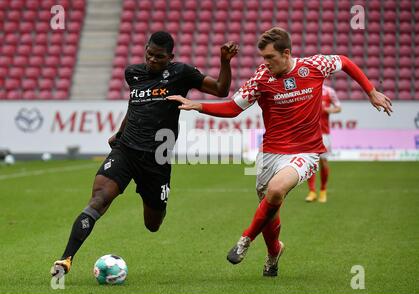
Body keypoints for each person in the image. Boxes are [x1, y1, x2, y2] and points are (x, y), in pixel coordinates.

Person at [167, 27, 392, 277]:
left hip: (305, 151)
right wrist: (197, 105)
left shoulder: (314, 66)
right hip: (270, 153)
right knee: (269, 206)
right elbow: (233, 108)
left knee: (275, 191)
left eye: (270, 57)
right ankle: (274, 253)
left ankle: (244, 240)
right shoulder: (261, 78)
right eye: (262, 57)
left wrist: (371, 91)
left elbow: (345, 61)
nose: (265, 62)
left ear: (286, 53)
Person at [51, 31, 239, 277]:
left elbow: (221, 90)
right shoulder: (133, 73)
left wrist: (224, 61)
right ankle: (65, 260)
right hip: (126, 151)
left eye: (159, 57)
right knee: (98, 200)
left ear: (170, 57)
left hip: (157, 160)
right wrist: (119, 133)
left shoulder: (181, 73)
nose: (152, 60)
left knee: (153, 224)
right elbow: (134, 105)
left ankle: (154, 201)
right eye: (149, 54)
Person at [305, 82, 342, 203]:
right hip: (308, 132)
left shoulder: (329, 91)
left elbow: (338, 107)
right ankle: (311, 191)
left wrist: (326, 109)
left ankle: (323, 190)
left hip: (323, 133)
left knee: (323, 161)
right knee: (310, 162)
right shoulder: (306, 89)